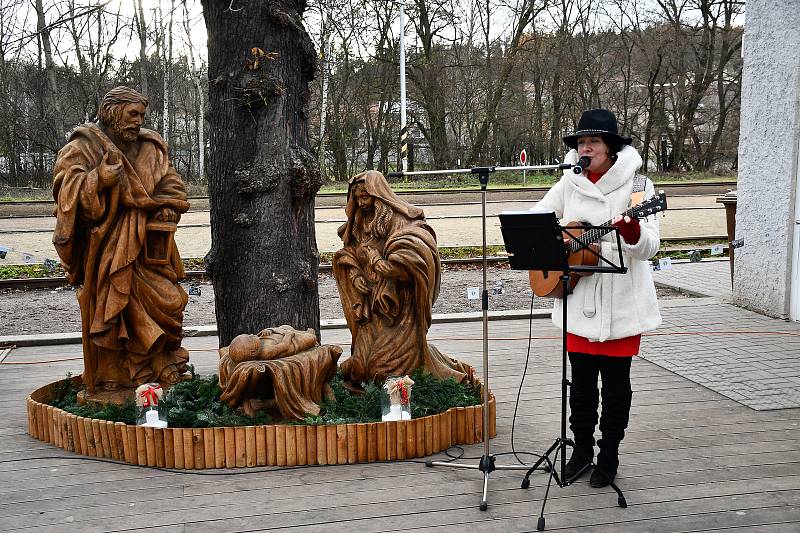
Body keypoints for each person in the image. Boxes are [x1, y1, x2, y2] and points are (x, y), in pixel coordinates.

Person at [532, 109, 662, 487]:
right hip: (579, 301)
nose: (585, 148)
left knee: (617, 387)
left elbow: (649, 248)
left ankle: (609, 455)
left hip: (623, 303)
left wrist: (633, 230)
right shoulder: (568, 182)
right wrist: (557, 241)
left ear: (611, 147)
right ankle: (582, 450)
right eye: (580, 143)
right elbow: (537, 220)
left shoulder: (639, 185)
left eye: (593, 142)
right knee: (583, 386)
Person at [52, 86, 191, 395]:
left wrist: (168, 207)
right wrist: (97, 180)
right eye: (132, 115)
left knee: (171, 300)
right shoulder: (84, 146)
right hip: (107, 249)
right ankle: (120, 374)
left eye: (141, 116)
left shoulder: (150, 147)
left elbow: (172, 185)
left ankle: (159, 361)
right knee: (114, 306)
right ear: (111, 111)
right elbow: (66, 193)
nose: (137, 122)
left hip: (151, 244)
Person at [333, 170, 473, 389]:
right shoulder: (359, 222)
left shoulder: (401, 223)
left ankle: (413, 377)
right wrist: (355, 274)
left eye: (365, 197)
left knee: (385, 370)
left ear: (378, 195)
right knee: (361, 369)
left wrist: (379, 263)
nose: (361, 204)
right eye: (357, 198)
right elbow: (347, 253)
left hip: (399, 309)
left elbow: (413, 263)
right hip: (372, 307)